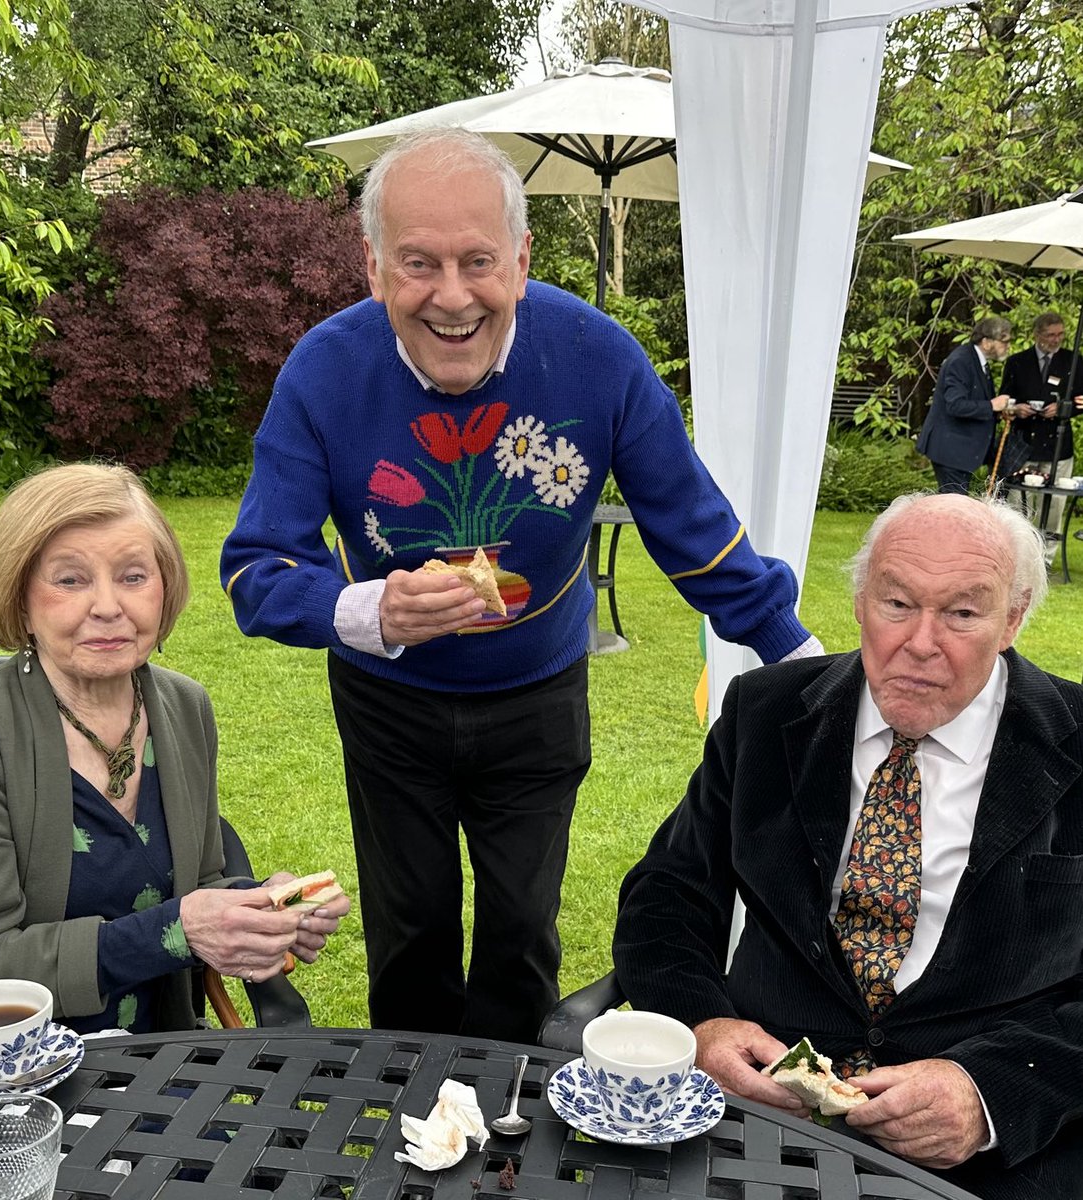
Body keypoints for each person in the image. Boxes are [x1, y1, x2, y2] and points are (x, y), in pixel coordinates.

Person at [221, 128, 822, 1043]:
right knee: (409, 932)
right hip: (389, 704)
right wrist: (371, 607)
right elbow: (257, 569)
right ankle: (414, 1135)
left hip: (539, 698)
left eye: (478, 262)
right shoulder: (324, 370)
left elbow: (689, 522)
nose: (452, 296)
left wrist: (801, 657)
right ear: (375, 267)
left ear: (523, 260)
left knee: (520, 933)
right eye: (418, 264)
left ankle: (505, 1147)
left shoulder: (597, 356)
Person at [613, 493, 1083, 1200]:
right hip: (762, 1113)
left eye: (962, 612)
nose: (921, 642)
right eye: (898, 604)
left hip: (997, 1149)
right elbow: (668, 896)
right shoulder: (764, 713)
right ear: (861, 601)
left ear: (1012, 619)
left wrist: (990, 1093)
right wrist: (702, 1025)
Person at [0, 464, 349, 1033]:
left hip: (160, 1054)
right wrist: (180, 931)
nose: (108, 606)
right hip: (2, 1071)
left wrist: (262, 906)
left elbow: (195, 883)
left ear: (165, 589)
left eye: (134, 576)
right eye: (70, 579)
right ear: (19, 598)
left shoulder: (183, 708)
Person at [1000, 311, 1083, 549]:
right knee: (1019, 501)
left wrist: (1063, 408)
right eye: (1050, 335)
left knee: (1055, 502)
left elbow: (1081, 401)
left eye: (1060, 334)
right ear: (1037, 334)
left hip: (1057, 443)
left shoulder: (1074, 361)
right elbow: (1005, 399)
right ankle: (1018, 552)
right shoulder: (1017, 362)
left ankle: (1046, 557)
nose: (1056, 339)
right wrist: (1017, 409)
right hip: (1025, 442)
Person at [917, 317, 1013, 494]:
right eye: (1004, 341)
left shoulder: (977, 361)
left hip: (960, 450)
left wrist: (998, 411)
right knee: (953, 508)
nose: (1008, 346)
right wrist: (991, 406)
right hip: (951, 450)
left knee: (954, 506)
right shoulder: (961, 361)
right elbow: (955, 405)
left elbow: (973, 400)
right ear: (986, 342)